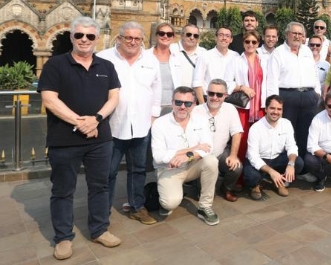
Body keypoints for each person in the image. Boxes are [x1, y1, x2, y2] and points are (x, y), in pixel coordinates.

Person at [38, 17, 122, 259]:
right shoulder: (55, 65)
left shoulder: (106, 66)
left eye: (90, 36)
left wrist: (95, 120)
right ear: (71, 37)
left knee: (100, 186)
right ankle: (63, 237)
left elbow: (114, 98)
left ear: (96, 39)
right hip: (64, 140)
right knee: (63, 190)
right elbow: (49, 100)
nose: (84, 40)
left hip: (100, 139)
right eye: (79, 35)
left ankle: (99, 229)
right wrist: (81, 123)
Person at [98, 21, 161, 226]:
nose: (133, 42)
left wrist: (153, 116)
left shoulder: (151, 60)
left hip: (141, 126)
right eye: (128, 37)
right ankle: (102, 211)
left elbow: (156, 90)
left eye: (137, 38)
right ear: (119, 38)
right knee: (109, 171)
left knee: (138, 169)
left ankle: (137, 207)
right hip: (113, 126)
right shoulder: (104, 58)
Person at [151, 86, 219, 225]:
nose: (182, 107)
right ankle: (165, 194)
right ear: (172, 102)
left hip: (192, 165)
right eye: (178, 102)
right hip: (169, 169)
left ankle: (205, 206)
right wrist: (193, 149)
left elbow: (208, 147)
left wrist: (188, 156)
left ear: (194, 104)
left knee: (211, 161)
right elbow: (158, 156)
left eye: (187, 103)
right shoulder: (160, 123)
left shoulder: (201, 120)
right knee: (169, 203)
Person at [266, 22, 321, 172]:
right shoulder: (278, 53)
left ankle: (302, 169)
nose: (297, 36)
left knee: (305, 133)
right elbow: (272, 79)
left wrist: (317, 93)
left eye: (300, 34)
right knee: (287, 134)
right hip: (287, 97)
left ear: (304, 37)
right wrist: (274, 102)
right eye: (294, 33)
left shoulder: (307, 52)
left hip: (309, 96)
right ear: (287, 34)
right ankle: (286, 168)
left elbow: (314, 73)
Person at [191, 79, 243, 202]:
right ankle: (200, 185)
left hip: (220, 153)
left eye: (219, 94)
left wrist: (233, 155)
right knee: (206, 196)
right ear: (207, 93)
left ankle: (226, 188)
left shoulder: (230, 109)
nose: (214, 97)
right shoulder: (196, 111)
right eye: (211, 93)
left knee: (237, 167)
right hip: (201, 157)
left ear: (226, 96)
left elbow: (237, 133)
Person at [244, 95, 305, 199]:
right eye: (272, 108)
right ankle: (256, 185)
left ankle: (279, 181)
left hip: (277, 159)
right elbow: (253, 157)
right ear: (266, 109)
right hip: (260, 160)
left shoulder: (287, 124)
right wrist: (271, 171)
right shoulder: (256, 128)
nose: (275, 112)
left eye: (279, 109)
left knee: (298, 163)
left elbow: (292, 146)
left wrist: (290, 164)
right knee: (251, 176)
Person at [226, 30, 265, 163]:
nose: (250, 44)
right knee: (242, 139)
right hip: (243, 107)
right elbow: (226, 83)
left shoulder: (264, 60)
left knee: (259, 141)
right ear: (243, 43)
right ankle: (240, 175)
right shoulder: (236, 61)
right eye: (247, 41)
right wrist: (242, 87)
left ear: (258, 43)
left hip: (260, 106)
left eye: (254, 42)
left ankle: (255, 173)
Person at [193, 27, 237, 104]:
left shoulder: (235, 56)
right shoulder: (205, 56)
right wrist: (202, 105)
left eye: (227, 36)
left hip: (229, 100)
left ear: (231, 39)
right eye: (221, 35)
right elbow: (197, 82)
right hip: (209, 99)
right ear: (215, 38)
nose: (224, 38)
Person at [147, 22, 182, 115]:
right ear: (156, 35)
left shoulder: (177, 57)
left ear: (173, 37)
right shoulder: (144, 56)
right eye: (162, 33)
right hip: (149, 107)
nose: (165, 36)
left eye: (169, 34)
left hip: (172, 107)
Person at [170, 24, 207, 88]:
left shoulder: (204, 53)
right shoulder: (171, 49)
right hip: (175, 94)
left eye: (195, 36)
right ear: (182, 35)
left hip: (195, 95)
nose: (192, 38)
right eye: (188, 35)